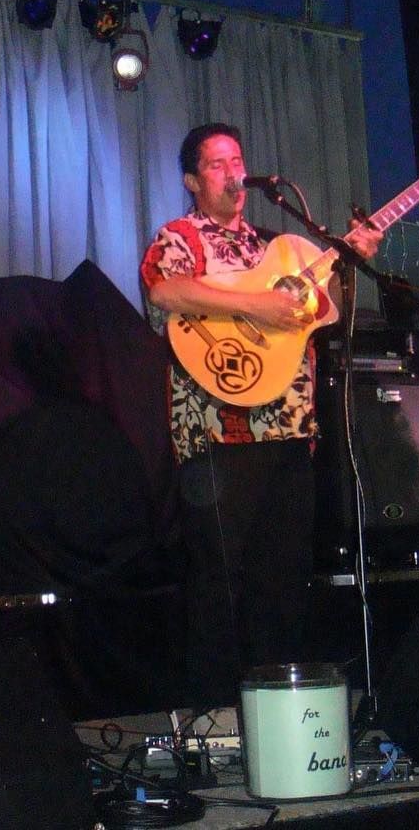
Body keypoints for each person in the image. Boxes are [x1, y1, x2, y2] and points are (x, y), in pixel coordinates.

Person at [139, 122, 381, 706]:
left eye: (237, 160)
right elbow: (163, 292)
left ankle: (280, 709)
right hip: (217, 432)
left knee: (284, 579)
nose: (232, 171)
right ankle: (218, 716)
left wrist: (347, 263)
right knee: (219, 580)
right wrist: (258, 304)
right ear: (193, 180)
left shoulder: (279, 247)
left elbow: (322, 314)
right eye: (217, 163)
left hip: (289, 428)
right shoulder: (180, 238)